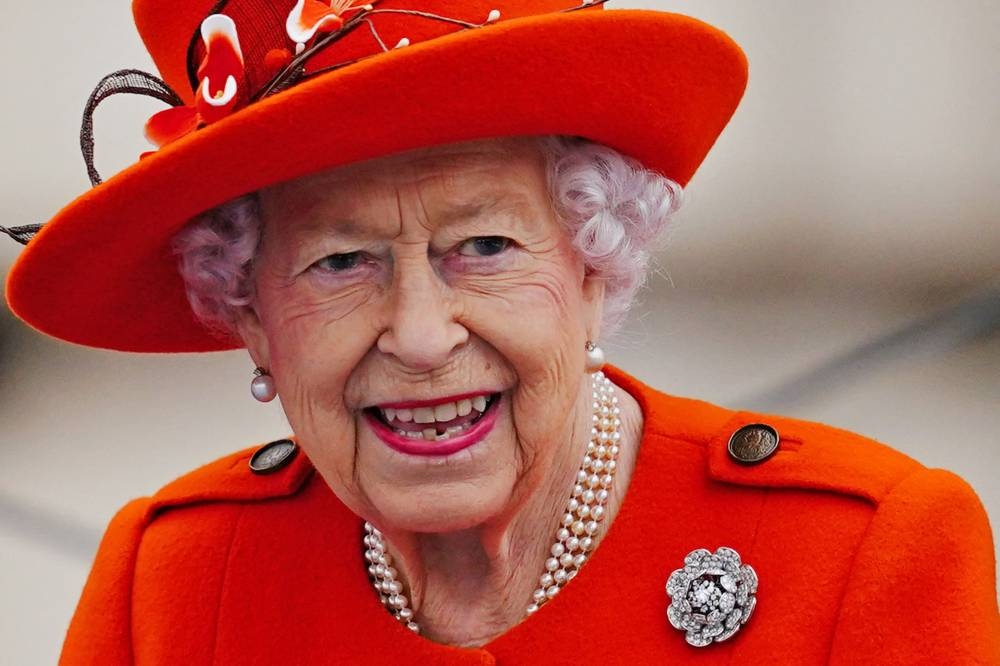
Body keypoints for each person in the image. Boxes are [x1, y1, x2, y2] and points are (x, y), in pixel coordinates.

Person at [3, 0, 997, 663]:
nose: (421, 335)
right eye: (341, 262)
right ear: (252, 318)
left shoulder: (862, 559)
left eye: (482, 245)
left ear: (594, 267)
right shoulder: (173, 587)